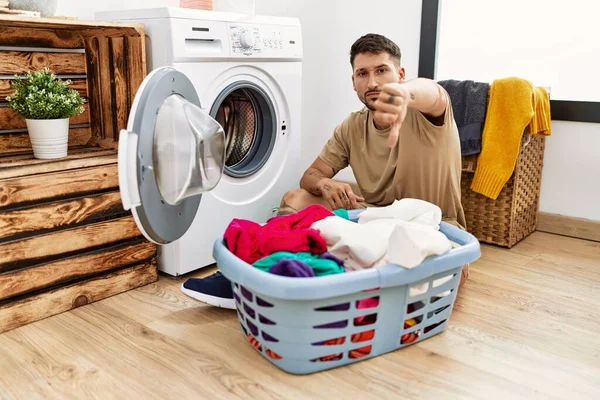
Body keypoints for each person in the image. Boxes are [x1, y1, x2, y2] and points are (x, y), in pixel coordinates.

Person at [180, 33, 469, 309]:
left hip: (435, 231)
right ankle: (261, 272)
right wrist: (327, 185)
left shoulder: (427, 113)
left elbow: (435, 95)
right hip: (373, 220)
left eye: (382, 71)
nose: (373, 82)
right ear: (353, 82)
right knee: (296, 198)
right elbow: (311, 176)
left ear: (401, 75)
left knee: (422, 280)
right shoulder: (352, 126)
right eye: (362, 73)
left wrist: (404, 95)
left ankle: (290, 286)